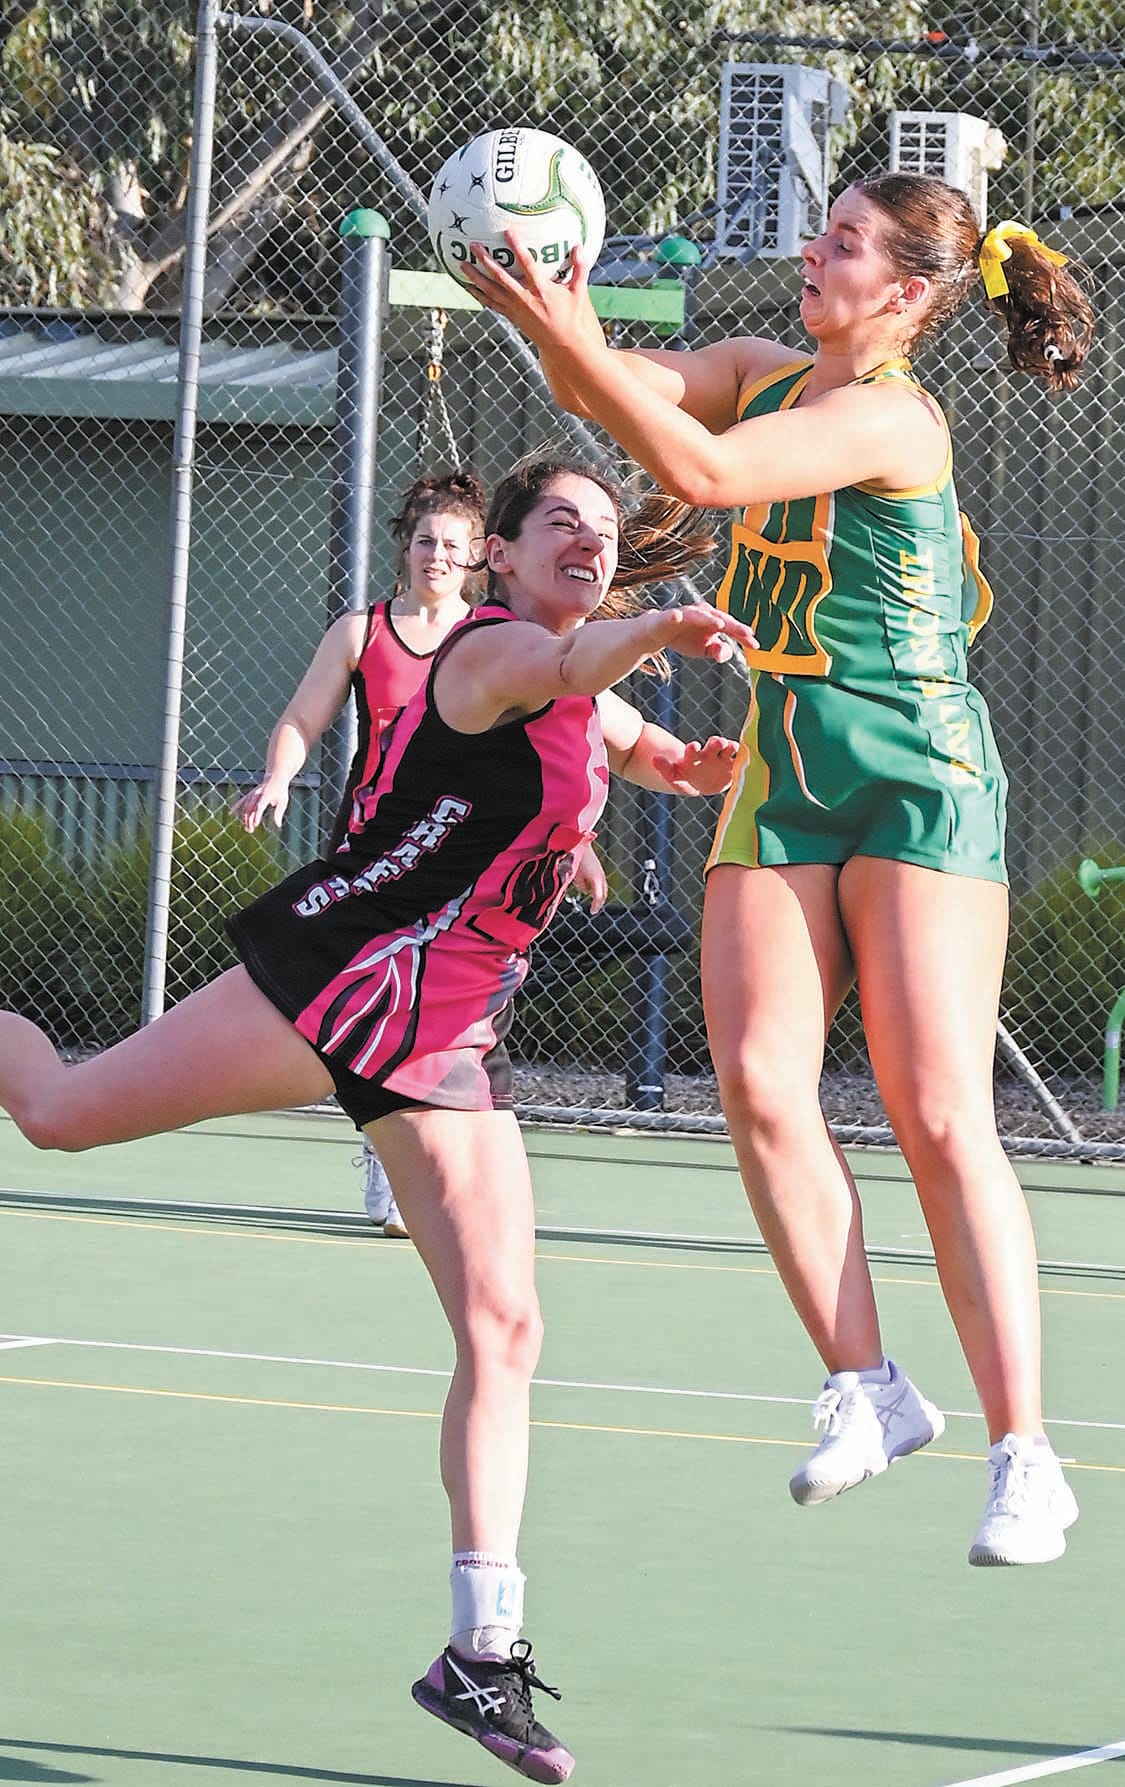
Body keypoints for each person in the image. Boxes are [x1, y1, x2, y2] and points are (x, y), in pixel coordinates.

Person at [0, 453, 755, 1782]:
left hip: (449, 1036)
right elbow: (571, 679)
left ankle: (482, 1649)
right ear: (502, 561)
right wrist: (656, 627)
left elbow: (623, 735)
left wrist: (686, 768)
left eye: (603, 520)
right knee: (57, 1110)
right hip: (339, 978)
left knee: (507, 1325)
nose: (587, 533)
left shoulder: (585, 674)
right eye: (557, 521)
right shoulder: (491, 653)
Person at [466, 181, 1096, 1568]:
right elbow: (628, 385)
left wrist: (561, 326)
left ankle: (1024, 1451)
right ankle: (869, 1385)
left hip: (915, 763)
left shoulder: (889, 415)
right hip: (789, 759)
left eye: (849, 243)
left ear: (909, 296)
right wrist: (536, 300)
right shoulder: (761, 370)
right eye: (821, 231)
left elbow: (696, 475)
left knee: (935, 1111)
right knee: (757, 1078)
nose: (815, 253)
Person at [231, 467, 608, 1238]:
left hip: (466, 874)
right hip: (380, 858)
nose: (436, 556)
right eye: (426, 542)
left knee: (450, 1008)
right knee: (358, 1013)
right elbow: (302, 718)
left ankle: (406, 1141)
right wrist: (278, 775)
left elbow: (577, 742)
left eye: (452, 545)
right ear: (406, 549)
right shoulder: (363, 632)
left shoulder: (501, 641)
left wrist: (580, 844)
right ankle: (387, 1133)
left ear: (482, 557)